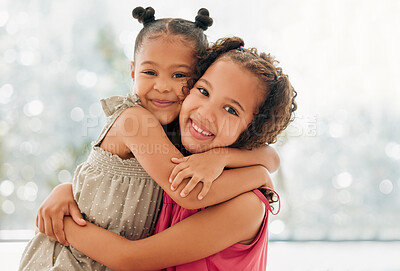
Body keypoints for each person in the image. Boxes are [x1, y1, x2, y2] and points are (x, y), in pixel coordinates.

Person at [19, 7, 279, 271]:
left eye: (179, 76)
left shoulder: (182, 136)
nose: (163, 86)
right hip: (75, 259)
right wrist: (259, 175)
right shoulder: (137, 121)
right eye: (150, 72)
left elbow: (270, 155)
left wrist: (234, 161)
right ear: (133, 72)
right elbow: (186, 192)